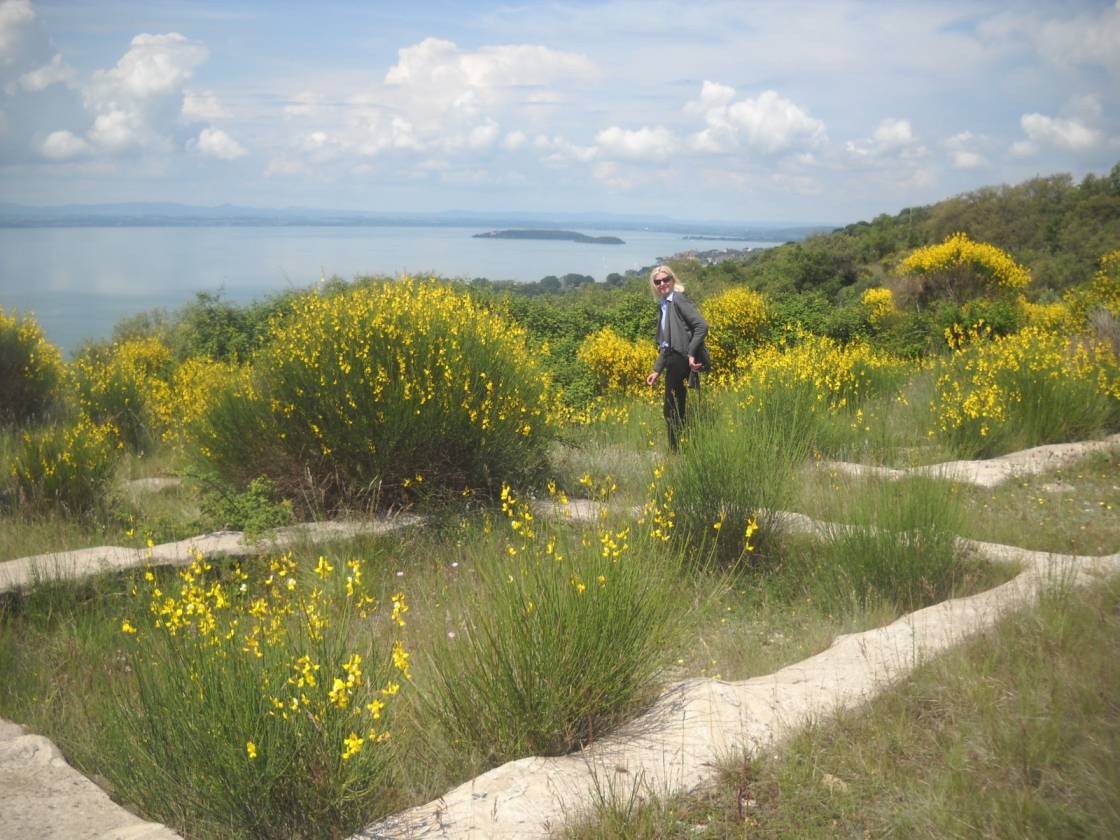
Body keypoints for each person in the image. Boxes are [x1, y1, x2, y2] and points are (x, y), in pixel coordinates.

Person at [644, 265, 708, 450]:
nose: (662, 284)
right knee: (676, 405)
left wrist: (691, 354)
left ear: (673, 280)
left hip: (680, 358)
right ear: (654, 285)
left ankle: (676, 450)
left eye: (666, 279)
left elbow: (701, 326)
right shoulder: (665, 304)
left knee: (671, 407)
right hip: (673, 358)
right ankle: (681, 446)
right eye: (658, 281)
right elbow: (666, 343)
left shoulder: (678, 299)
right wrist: (657, 370)